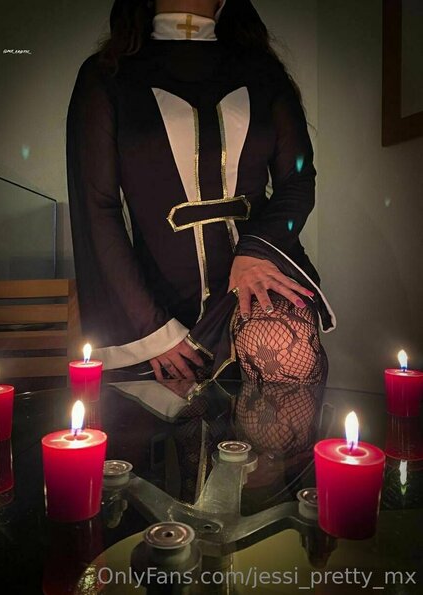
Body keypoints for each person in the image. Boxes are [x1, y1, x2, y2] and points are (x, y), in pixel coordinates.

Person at [66, 0, 336, 386]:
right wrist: (149, 328)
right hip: (156, 301)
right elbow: (96, 208)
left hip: (259, 277)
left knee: (283, 352)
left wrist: (255, 251)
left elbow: (298, 180)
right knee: (177, 413)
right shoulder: (107, 76)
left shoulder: (263, 72)